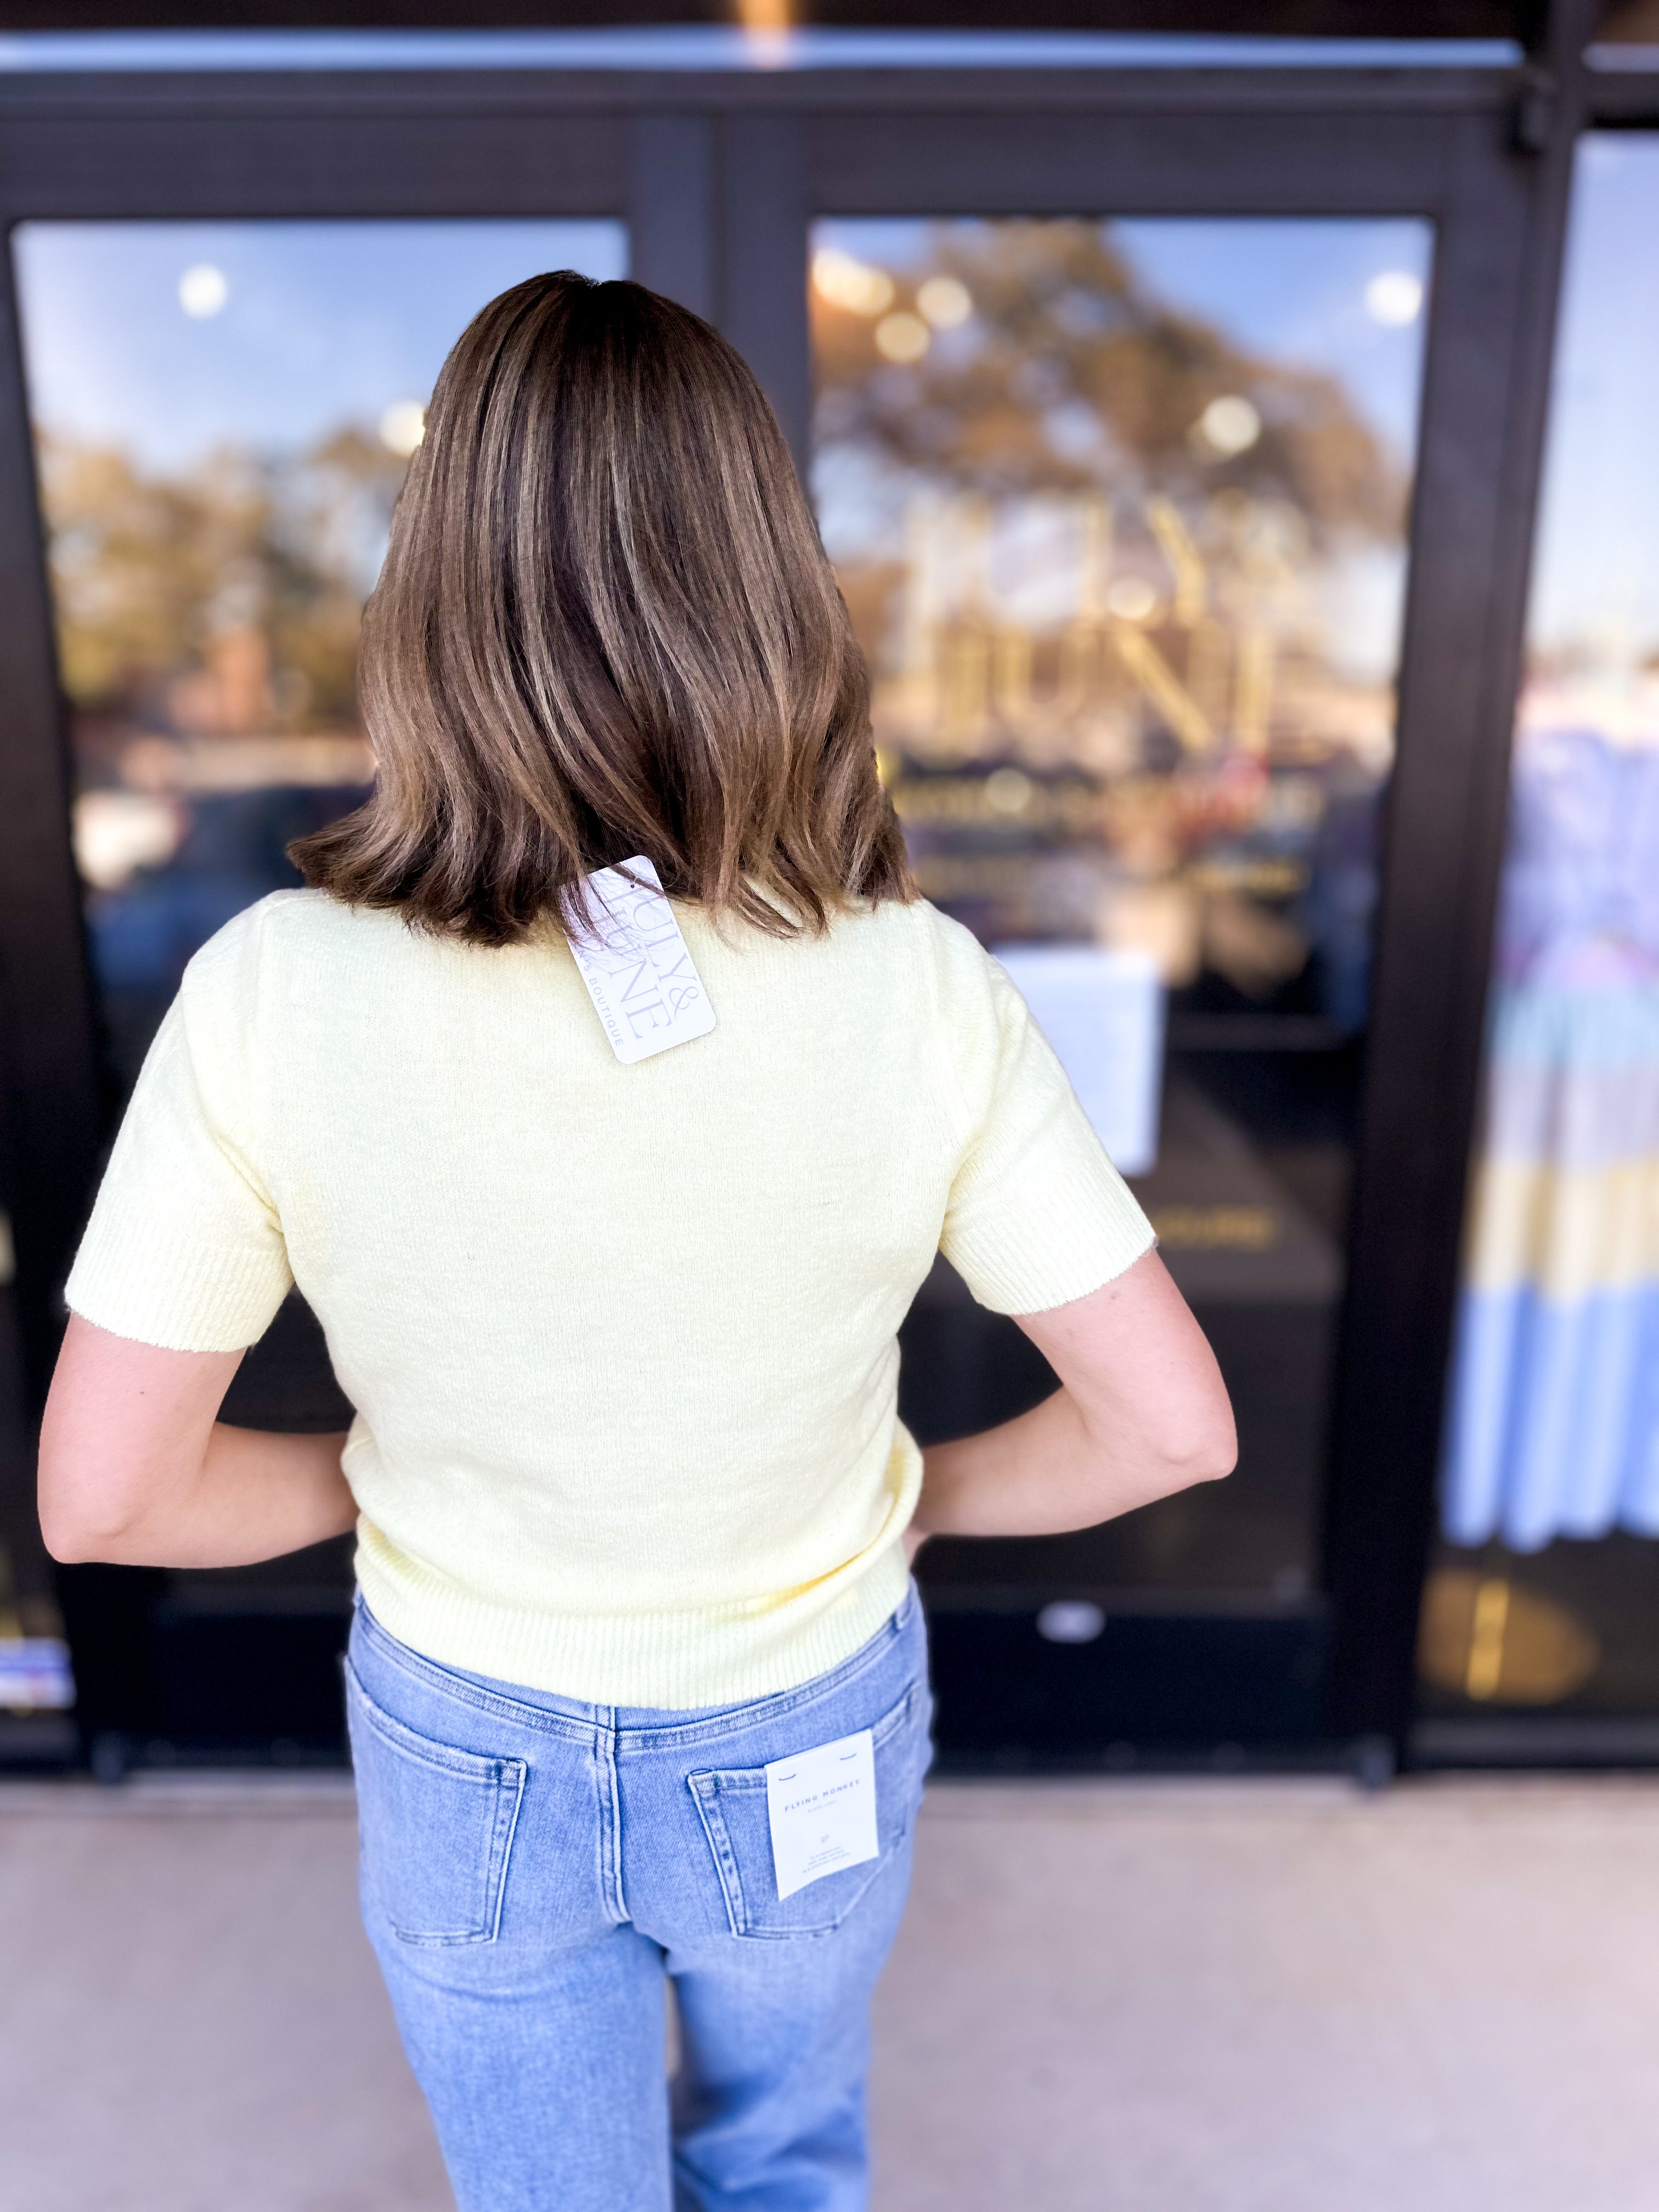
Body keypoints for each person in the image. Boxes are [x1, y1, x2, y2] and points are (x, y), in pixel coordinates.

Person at [37, 272, 1236, 2212]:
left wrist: (395, 1472)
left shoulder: (269, 990)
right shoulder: (916, 985)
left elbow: (103, 1501)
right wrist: (908, 1495)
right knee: (783, 2158)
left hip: (464, 1740)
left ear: (431, 604)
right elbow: (1173, 1430)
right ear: (770, 589)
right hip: (806, 1721)